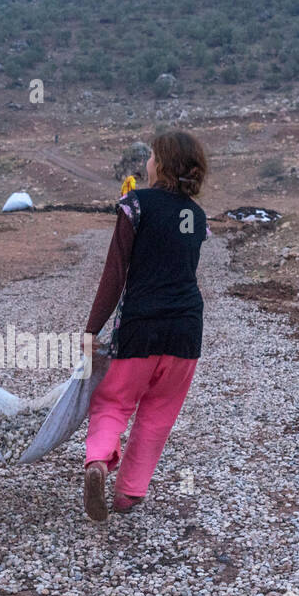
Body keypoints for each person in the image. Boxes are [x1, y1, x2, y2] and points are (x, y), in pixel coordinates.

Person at [82, 130, 209, 520]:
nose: (148, 163)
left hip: (140, 327)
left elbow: (114, 273)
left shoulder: (136, 204)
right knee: (158, 413)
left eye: (152, 156)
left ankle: (99, 463)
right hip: (186, 331)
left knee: (113, 401)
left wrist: (92, 329)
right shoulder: (197, 216)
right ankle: (130, 493)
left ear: (163, 164)